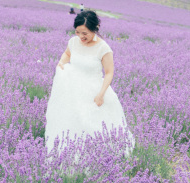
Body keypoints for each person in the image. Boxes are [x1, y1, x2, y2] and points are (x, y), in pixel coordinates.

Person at [45, 10, 132, 153]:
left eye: (84, 33)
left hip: (93, 91)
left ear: (95, 29)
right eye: (77, 32)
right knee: (71, 123)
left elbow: (109, 73)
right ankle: (69, 153)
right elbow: (67, 54)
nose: (80, 36)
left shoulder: (103, 48)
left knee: (92, 126)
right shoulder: (73, 42)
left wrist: (101, 95)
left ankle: (96, 156)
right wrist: (61, 63)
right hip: (73, 89)